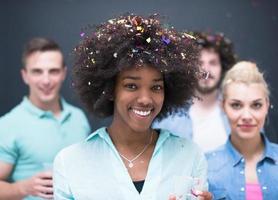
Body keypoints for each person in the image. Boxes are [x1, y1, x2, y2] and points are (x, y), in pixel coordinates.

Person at [53, 14, 211, 200]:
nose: (145, 99)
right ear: (110, 90)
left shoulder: (190, 155)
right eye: (131, 86)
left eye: (156, 87)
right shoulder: (70, 162)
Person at [0, 37, 91, 200]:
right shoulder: (8, 125)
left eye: (53, 71)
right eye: (37, 71)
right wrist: (22, 188)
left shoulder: (79, 118)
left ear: (63, 73)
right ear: (25, 76)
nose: (46, 80)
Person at [153, 31, 237, 152]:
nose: (206, 70)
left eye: (212, 63)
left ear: (222, 68)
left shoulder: (238, 112)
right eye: (199, 63)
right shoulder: (168, 117)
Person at [206, 61, 278, 199]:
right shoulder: (205, 165)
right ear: (223, 106)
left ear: (267, 105)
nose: (246, 116)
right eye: (236, 105)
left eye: (256, 105)